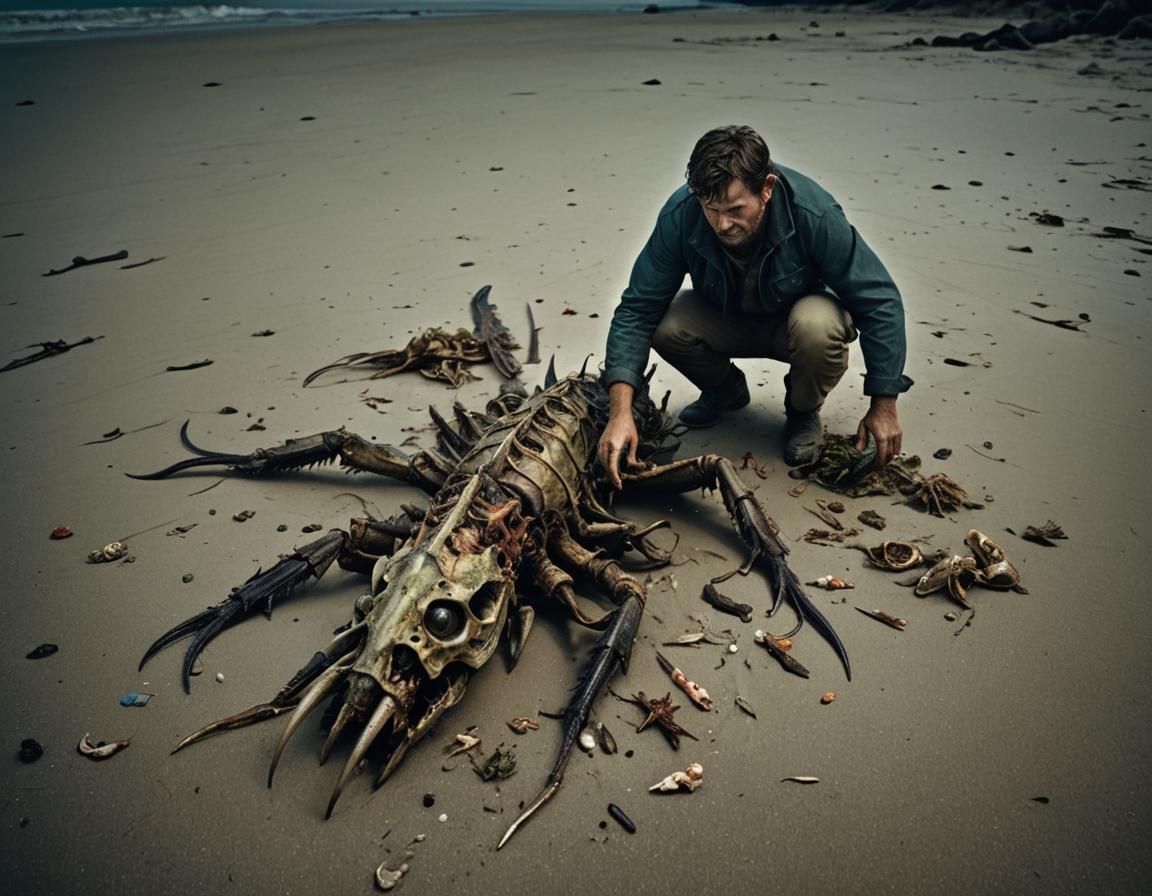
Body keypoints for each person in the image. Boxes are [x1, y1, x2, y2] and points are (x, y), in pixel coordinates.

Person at [597, 125, 912, 489]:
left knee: (817, 324)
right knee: (664, 322)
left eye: (734, 209)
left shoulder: (813, 213)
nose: (722, 224)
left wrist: (884, 405)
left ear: (767, 188)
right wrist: (620, 413)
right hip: (726, 317)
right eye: (711, 209)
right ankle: (725, 390)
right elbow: (636, 310)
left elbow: (880, 301)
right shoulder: (681, 214)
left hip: (799, 326)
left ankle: (803, 411)